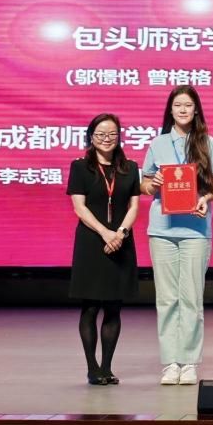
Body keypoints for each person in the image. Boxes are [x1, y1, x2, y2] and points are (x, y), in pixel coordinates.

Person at [140, 85, 213, 386]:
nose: (183, 110)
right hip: (162, 230)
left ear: (196, 109)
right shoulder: (158, 143)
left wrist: (206, 198)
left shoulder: (208, 143)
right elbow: (144, 185)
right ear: (170, 110)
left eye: (188, 105)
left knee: (191, 298)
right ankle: (170, 363)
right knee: (166, 299)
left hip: (195, 230)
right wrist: (154, 183)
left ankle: (189, 362)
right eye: (178, 105)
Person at [66, 113, 139, 386]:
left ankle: (107, 367)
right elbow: (79, 207)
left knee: (113, 307)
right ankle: (92, 367)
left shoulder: (129, 168)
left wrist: (120, 233)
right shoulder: (80, 167)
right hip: (91, 242)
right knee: (90, 307)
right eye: (100, 134)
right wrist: (106, 233)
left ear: (119, 137)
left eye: (111, 134)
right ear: (91, 137)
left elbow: (134, 206)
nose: (106, 139)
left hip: (121, 242)